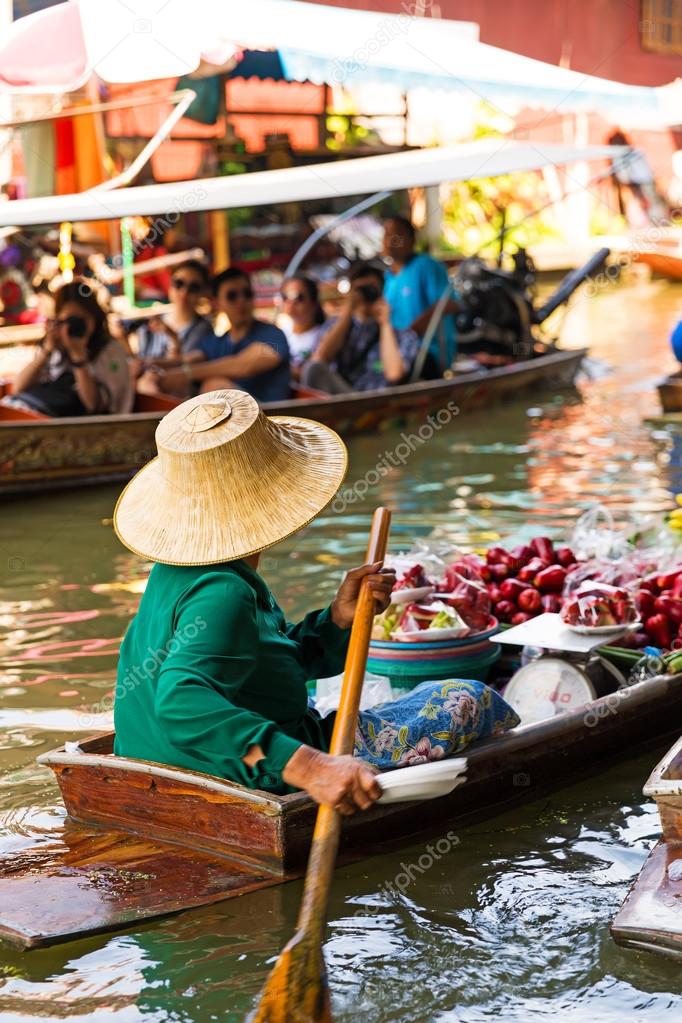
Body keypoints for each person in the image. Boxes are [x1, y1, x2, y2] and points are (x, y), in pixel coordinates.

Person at [112, 389, 518, 810]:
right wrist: (310, 766)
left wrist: (336, 620)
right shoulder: (225, 592)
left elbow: (264, 663)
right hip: (243, 768)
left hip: (155, 757)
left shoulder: (180, 569)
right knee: (467, 698)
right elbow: (181, 702)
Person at [157, 267, 291, 402]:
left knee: (214, 386)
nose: (241, 301)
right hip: (236, 417)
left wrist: (187, 373)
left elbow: (243, 365)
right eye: (232, 296)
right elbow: (184, 361)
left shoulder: (273, 336)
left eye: (247, 294)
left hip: (271, 418)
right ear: (217, 304)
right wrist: (148, 366)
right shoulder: (216, 343)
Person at [1, 281, 133, 417]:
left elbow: (93, 405)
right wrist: (47, 350)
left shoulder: (110, 350)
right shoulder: (57, 346)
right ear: (58, 321)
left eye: (81, 319)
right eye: (69, 321)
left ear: (95, 318)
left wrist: (78, 356)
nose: (75, 326)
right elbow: (18, 388)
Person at [302, 263, 420, 393]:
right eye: (360, 289)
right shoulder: (334, 326)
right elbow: (319, 359)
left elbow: (394, 374)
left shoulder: (403, 335)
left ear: (382, 293)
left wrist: (385, 324)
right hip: (340, 400)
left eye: (372, 289)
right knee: (312, 368)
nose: (366, 295)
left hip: (376, 405)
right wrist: (348, 310)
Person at [382, 215, 458, 374]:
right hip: (395, 352)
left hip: (426, 352)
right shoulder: (388, 278)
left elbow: (449, 303)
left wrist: (410, 334)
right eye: (386, 234)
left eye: (397, 234)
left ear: (411, 240)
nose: (390, 240)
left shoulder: (426, 266)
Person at [128, 259, 215, 377]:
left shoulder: (203, 329)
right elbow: (137, 361)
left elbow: (179, 369)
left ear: (202, 292)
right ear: (170, 285)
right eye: (179, 283)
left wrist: (172, 337)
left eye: (193, 287)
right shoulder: (152, 320)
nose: (184, 292)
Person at [278, 274, 326, 375]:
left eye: (298, 297)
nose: (291, 302)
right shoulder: (280, 333)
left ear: (314, 303)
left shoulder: (324, 335)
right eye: (285, 296)